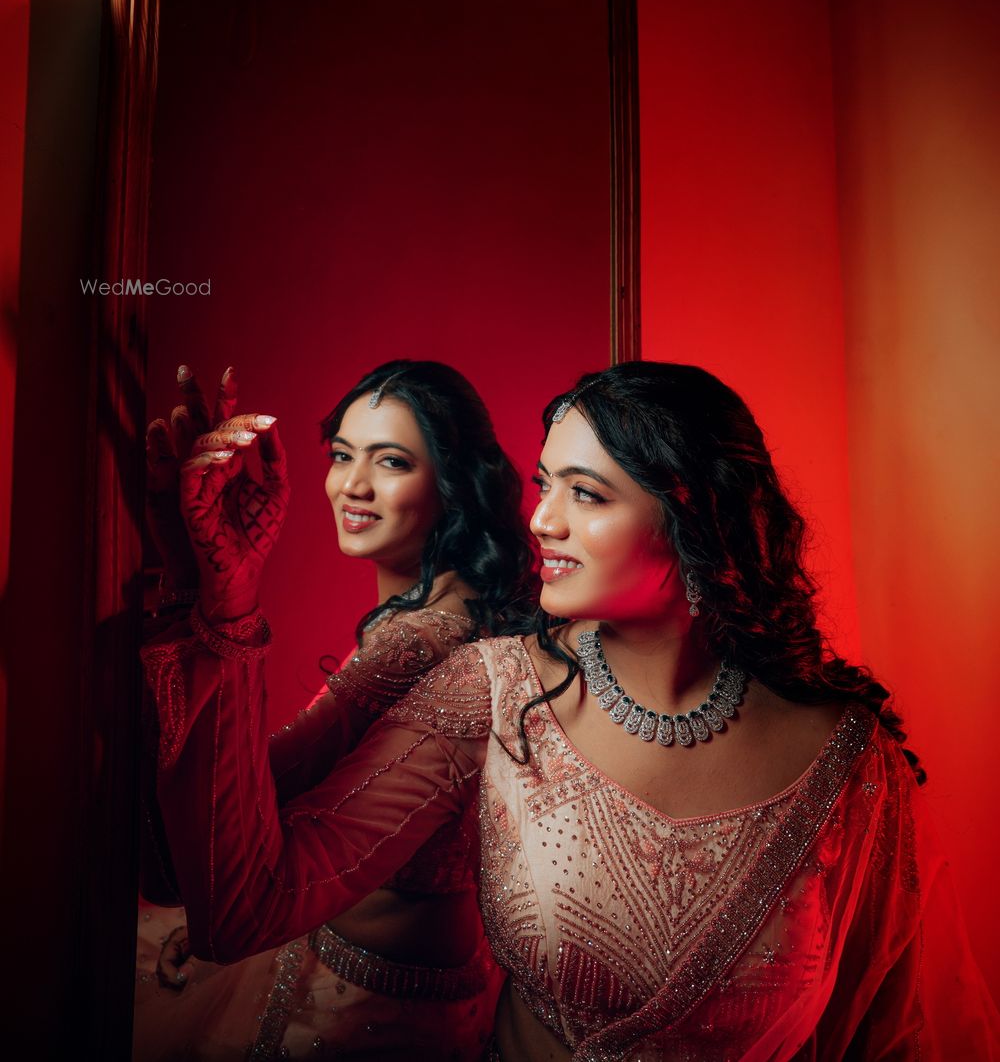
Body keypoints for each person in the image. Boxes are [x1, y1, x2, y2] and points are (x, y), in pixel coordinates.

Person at [144, 361, 1000, 1060]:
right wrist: (225, 599)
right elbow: (246, 907)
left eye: (586, 494)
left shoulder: (849, 765)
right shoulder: (495, 690)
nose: (543, 520)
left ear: (693, 519)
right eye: (544, 484)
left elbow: (892, 1036)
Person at [135, 358, 534, 1062]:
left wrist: (218, 598)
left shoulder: (424, 640)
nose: (352, 485)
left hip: (367, 1011)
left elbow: (216, 845)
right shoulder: (460, 610)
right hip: (396, 973)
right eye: (343, 455)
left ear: (453, 481)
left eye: (391, 462)